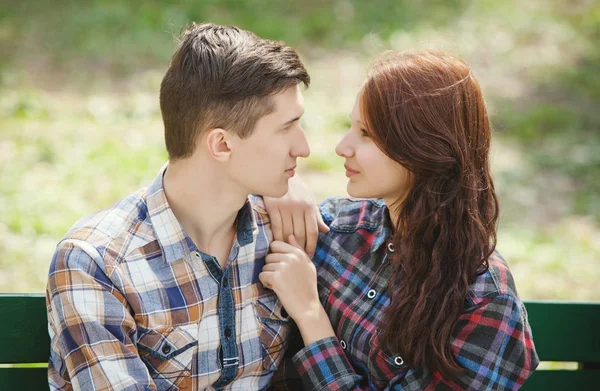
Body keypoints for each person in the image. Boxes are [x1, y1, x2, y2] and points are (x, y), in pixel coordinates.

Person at [46, 22, 323, 390]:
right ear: (222, 145)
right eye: (287, 128)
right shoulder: (98, 264)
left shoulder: (283, 228)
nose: (304, 148)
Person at [261, 49, 539, 390]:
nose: (342, 147)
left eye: (367, 134)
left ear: (423, 147)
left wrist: (310, 314)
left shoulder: (483, 301)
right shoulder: (336, 228)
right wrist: (280, 185)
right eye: (351, 127)